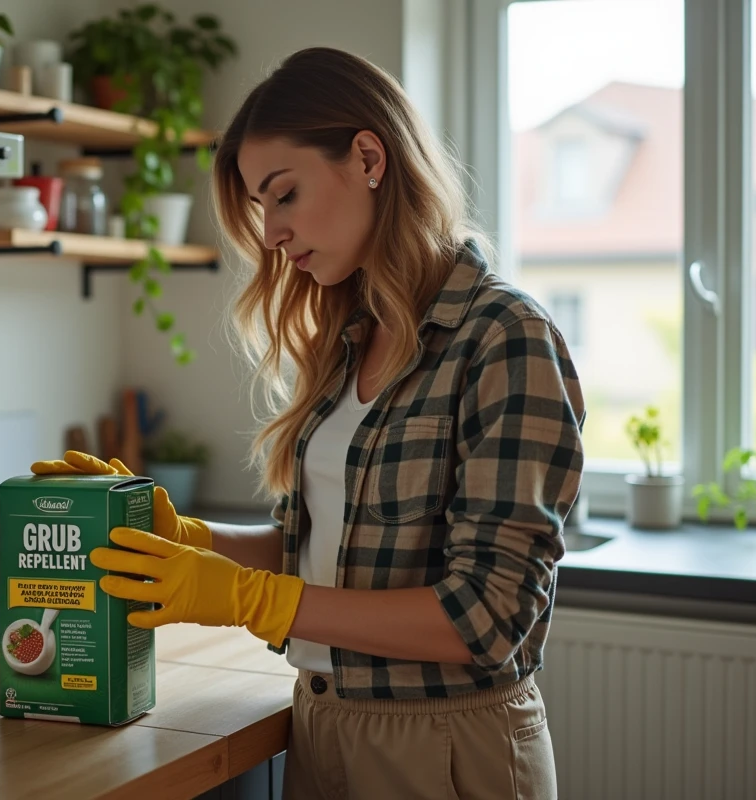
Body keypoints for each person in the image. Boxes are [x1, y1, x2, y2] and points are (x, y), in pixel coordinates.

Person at [32, 46, 585, 799]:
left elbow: (485, 618)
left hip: (449, 747)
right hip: (323, 729)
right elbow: (315, 554)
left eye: (283, 195)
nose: (270, 235)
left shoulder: (505, 339)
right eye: (261, 208)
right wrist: (186, 537)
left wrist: (246, 599)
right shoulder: (346, 338)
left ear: (367, 157)